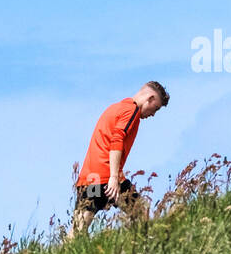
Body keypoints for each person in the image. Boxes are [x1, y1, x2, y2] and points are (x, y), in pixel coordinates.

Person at [67, 81, 169, 240]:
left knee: (77, 232)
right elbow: (117, 139)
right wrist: (114, 178)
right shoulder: (131, 110)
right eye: (155, 108)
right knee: (142, 216)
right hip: (107, 179)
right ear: (149, 98)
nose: (153, 114)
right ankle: (148, 251)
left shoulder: (116, 107)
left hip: (90, 179)